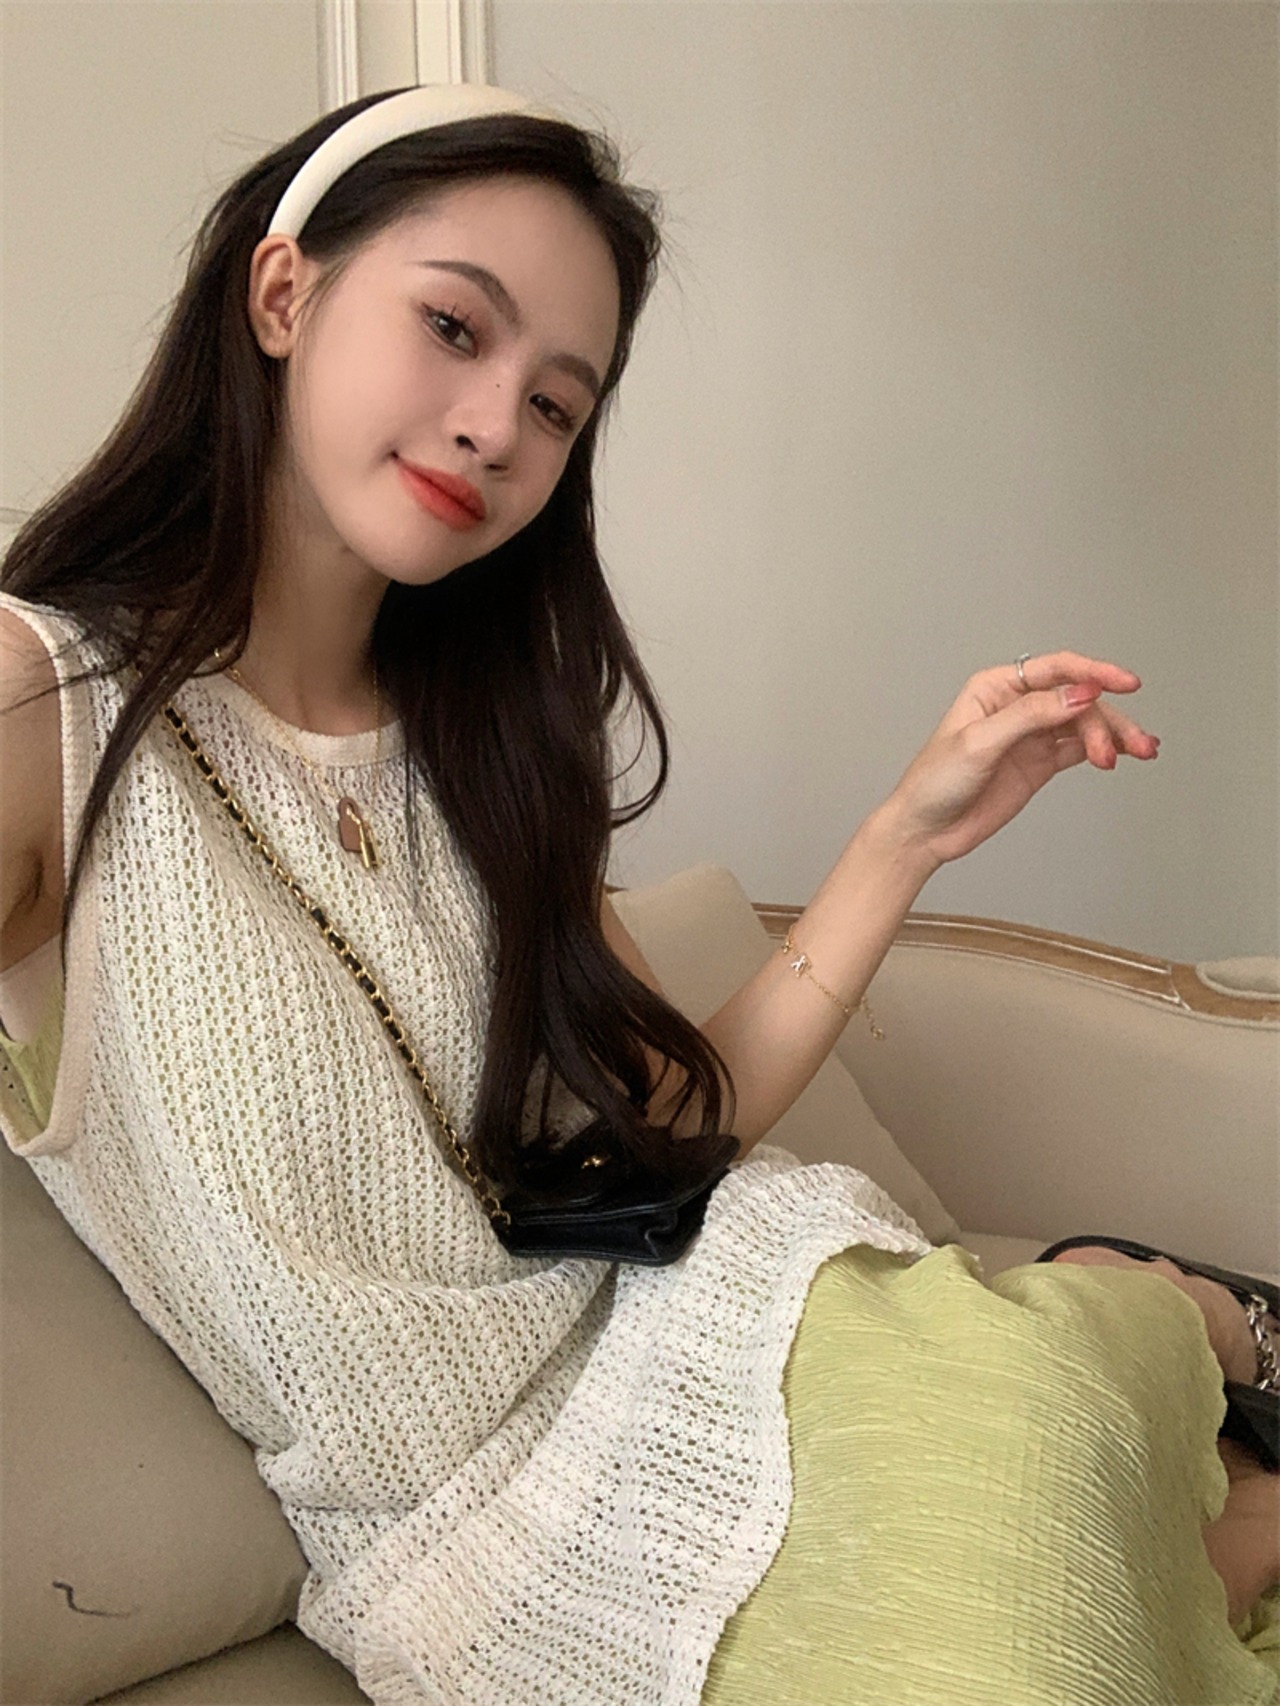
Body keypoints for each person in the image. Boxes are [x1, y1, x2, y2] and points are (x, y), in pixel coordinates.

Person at [0, 81, 1275, 1706]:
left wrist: (908, 835)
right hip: (469, 1555)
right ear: (281, 293)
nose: (495, 425)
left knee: (1049, 1504)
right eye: (453, 327)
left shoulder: (483, 756)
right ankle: (1171, 1362)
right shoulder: (47, 706)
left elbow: (669, 1123)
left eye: (556, 403)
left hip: (731, 1339)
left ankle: (1171, 1342)